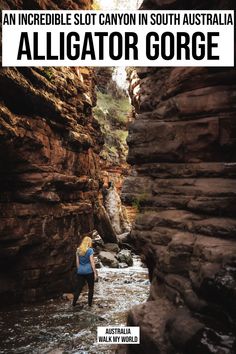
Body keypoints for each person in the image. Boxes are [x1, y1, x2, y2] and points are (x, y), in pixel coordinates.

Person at [72, 236, 98, 307]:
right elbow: (92, 262)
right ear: (89, 242)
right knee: (91, 288)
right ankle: (89, 305)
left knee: (78, 288)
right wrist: (95, 273)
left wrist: (79, 270)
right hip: (89, 272)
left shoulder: (78, 250)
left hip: (80, 272)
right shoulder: (90, 250)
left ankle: (73, 303)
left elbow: (77, 262)